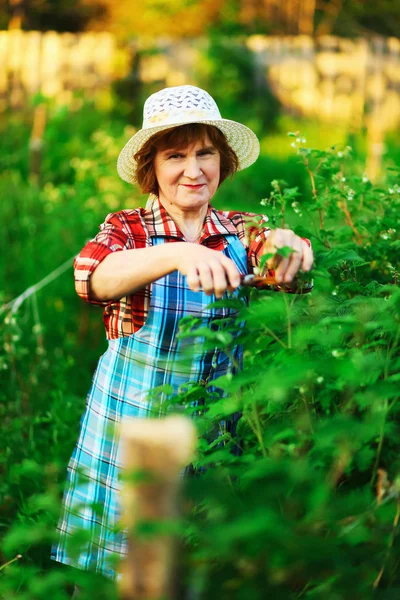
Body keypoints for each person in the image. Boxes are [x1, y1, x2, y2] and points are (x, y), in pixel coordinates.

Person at [51, 85, 313, 580]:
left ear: (223, 161)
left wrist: (288, 246)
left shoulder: (239, 230)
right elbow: (91, 278)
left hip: (212, 435)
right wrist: (178, 253)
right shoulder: (129, 231)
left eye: (205, 153)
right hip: (134, 432)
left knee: (192, 568)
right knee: (113, 571)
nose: (193, 170)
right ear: (152, 168)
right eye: (176, 156)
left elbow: (286, 269)